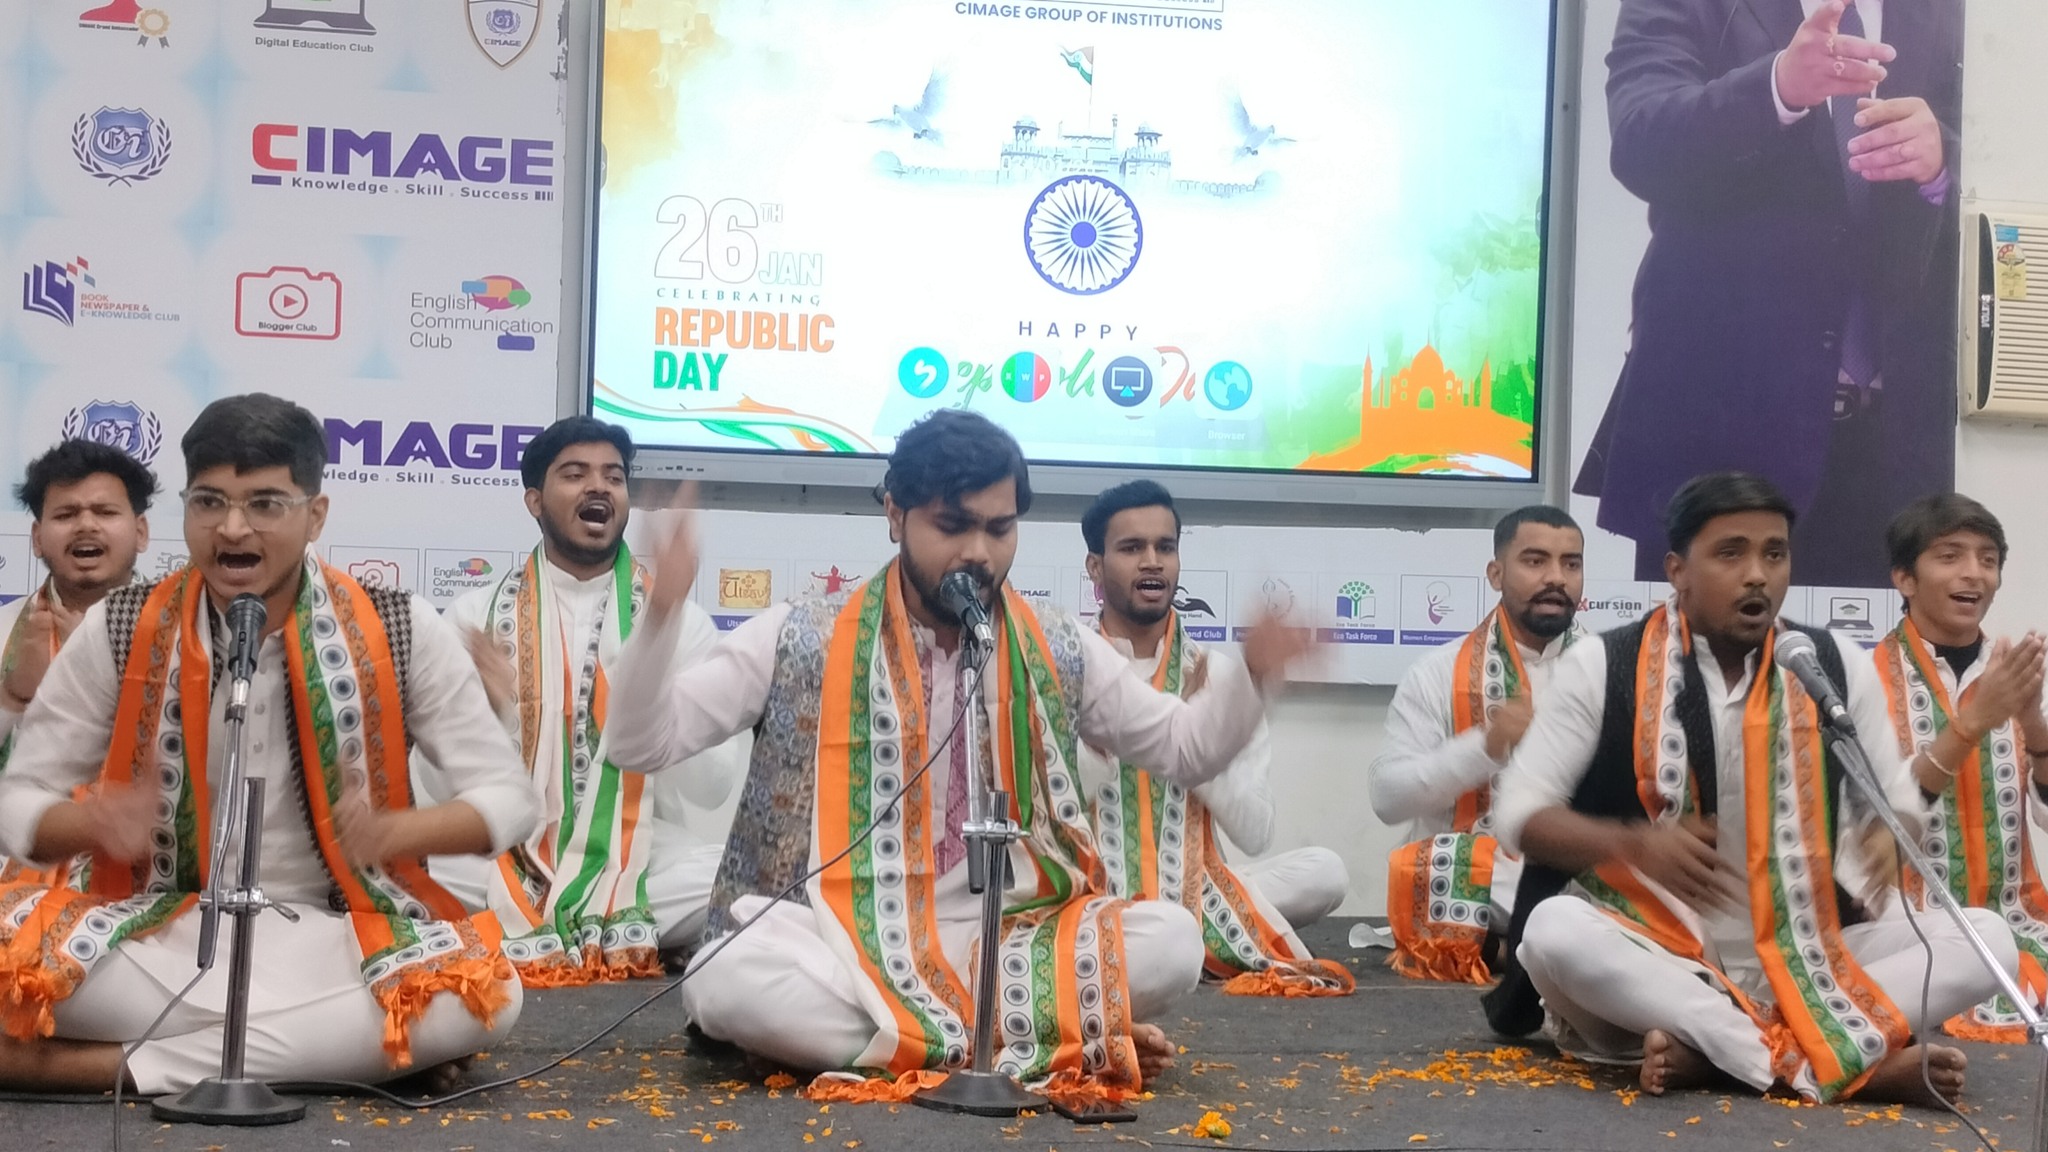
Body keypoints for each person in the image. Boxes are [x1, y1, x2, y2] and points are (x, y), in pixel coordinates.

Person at [604, 409, 1307, 1088]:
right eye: (953, 525)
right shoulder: (801, 635)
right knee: (725, 976)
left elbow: (1183, 749)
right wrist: (662, 615)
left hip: (1006, 934)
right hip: (839, 929)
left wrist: (1252, 677)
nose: (978, 550)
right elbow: (641, 743)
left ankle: (899, 1042)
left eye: (999, 528)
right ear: (894, 514)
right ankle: (1039, 1038)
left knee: (1175, 941)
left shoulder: (1057, 645)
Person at [0, 394, 537, 1095]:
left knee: (483, 997)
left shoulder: (398, 628)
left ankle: (100, 1066)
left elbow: (509, 798)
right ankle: (335, 1051)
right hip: (155, 929)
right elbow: (19, 799)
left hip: (332, 934)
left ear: (315, 515)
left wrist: (402, 830)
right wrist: (87, 822)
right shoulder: (124, 626)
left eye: (265, 504)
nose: (232, 529)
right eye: (209, 502)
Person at [1486, 472, 2015, 1106]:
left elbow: (1897, 794)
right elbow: (1516, 812)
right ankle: (1829, 1062)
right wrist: (1632, 844)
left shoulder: (1831, 665)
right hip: (1655, 958)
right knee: (1551, 929)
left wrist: (1886, 832)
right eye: (1730, 553)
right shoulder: (1603, 665)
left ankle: (1722, 1056)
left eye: (1774, 553)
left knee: (1989, 938)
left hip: (1807, 955)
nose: (1758, 574)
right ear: (1678, 570)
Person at [1575, 0, 1965, 586]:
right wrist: (1778, 88)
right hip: (1722, 442)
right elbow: (1640, 139)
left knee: (1884, 679)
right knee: (1702, 675)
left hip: (1903, 452)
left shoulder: (1955, 10)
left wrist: (1943, 162)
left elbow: (2013, 154)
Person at [422, 416, 743, 985]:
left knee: (734, 882)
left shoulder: (682, 623)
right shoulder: (474, 617)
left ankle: (515, 933)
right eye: (575, 474)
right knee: (411, 869)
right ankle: (578, 926)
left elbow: (712, 788)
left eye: (613, 477)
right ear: (535, 500)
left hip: (640, 852)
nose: (599, 487)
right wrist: (491, 710)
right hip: (504, 852)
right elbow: (441, 792)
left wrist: (658, 677)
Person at [1075, 481, 1350, 992]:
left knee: (1326, 872)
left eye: (1165, 547)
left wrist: (1203, 735)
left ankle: (1177, 930)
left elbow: (1254, 832)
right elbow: (1052, 805)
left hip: (1196, 884)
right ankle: (1176, 936)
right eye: (1132, 548)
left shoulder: (1220, 676)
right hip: (1091, 888)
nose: (1152, 561)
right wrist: (1153, 729)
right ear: (1096, 566)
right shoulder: (1067, 666)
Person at [1369, 505, 1586, 983]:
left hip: (1581, 873)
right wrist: (1487, 746)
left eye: (1571, 564)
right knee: (1430, 868)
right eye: (1535, 561)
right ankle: (1549, 955)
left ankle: (1518, 955)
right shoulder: (1437, 674)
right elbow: (1387, 797)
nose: (1557, 578)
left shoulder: (1611, 672)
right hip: (1486, 881)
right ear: (1495, 573)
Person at [1871, 494, 2048, 1042]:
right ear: (1905, 578)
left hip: (2019, 914)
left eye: (1988, 558)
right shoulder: (1862, 680)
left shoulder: (2018, 667)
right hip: (1910, 917)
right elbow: (1871, 829)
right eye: (1950, 556)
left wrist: (2032, 721)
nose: (1974, 573)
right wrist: (1974, 720)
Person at [0, 439, 158, 762]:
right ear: (37, 538)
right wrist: (12, 697)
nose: (86, 525)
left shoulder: (186, 634)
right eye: (66, 514)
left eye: (105, 512)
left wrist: (95, 662)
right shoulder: (4, 628)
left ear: (140, 532)